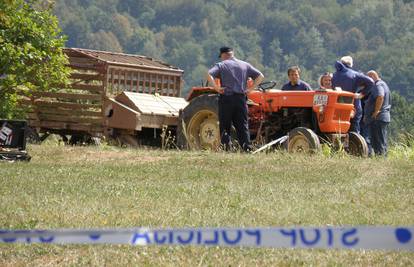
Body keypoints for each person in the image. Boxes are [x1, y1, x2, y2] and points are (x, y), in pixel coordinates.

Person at [207, 47, 264, 152]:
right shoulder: (245, 65)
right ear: (232, 54)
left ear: (223, 55)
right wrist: (250, 89)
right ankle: (246, 149)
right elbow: (260, 76)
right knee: (242, 125)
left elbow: (209, 74)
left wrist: (217, 88)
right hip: (241, 99)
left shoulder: (221, 65)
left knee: (225, 125)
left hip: (227, 98)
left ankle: (226, 149)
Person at [331, 56, 374, 133]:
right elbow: (371, 82)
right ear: (351, 64)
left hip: (338, 106)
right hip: (353, 106)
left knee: (339, 129)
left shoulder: (334, 75)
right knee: (354, 130)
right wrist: (362, 94)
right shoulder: (355, 75)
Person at [364, 70, 391, 156]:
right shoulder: (384, 84)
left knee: (378, 141)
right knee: (382, 140)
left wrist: (376, 111)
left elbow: (380, 96)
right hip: (384, 116)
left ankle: (381, 158)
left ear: (372, 76)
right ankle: (383, 157)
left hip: (378, 117)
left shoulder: (377, 85)